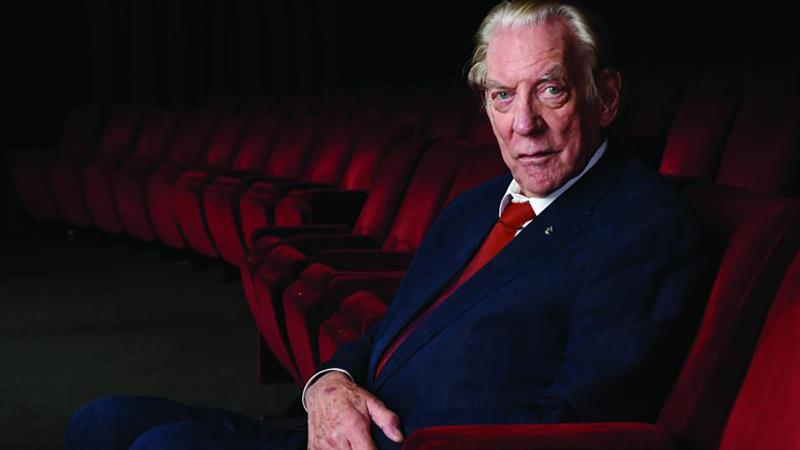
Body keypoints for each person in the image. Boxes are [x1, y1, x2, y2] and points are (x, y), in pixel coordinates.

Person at [64, 1, 710, 449]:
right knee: (103, 420)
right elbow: (388, 336)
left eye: (551, 90)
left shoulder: (641, 226)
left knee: (166, 446)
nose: (523, 124)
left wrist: (385, 434)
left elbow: (575, 416)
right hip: (346, 426)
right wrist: (328, 384)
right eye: (502, 95)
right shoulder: (474, 205)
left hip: (420, 446)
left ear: (607, 96)